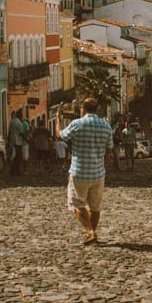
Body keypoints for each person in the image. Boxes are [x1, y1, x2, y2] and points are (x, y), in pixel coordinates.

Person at [60, 98, 113, 245]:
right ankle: (91, 233)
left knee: (77, 203)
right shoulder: (106, 126)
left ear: (83, 109)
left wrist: (58, 120)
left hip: (79, 171)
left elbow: (62, 136)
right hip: (98, 173)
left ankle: (90, 231)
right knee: (95, 207)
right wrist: (103, 166)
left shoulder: (77, 124)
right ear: (96, 109)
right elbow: (109, 150)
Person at [8, 111, 25, 176]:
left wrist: (9, 140)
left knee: (16, 156)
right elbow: (21, 133)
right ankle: (15, 170)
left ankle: (14, 170)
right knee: (18, 157)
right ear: (20, 116)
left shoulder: (11, 121)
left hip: (12, 141)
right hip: (18, 142)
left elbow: (9, 132)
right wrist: (26, 139)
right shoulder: (19, 123)